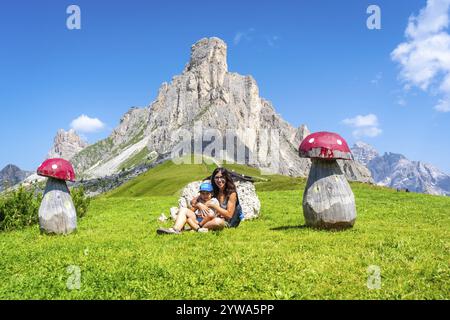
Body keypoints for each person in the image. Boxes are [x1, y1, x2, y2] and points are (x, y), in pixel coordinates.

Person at [157, 167, 243, 234]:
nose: (219, 180)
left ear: (227, 178)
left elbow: (229, 215)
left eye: (222, 177)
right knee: (183, 210)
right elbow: (193, 202)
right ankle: (175, 230)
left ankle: (196, 228)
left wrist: (214, 206)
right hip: (207, 219)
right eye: (217, 177)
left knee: (218, 222)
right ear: (214, 179)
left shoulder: (231, 193)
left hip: (225, 222)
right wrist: (199, 205)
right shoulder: (213, 191)